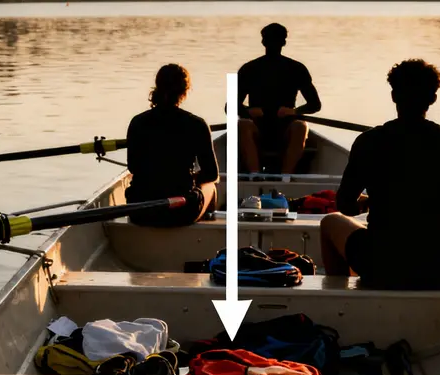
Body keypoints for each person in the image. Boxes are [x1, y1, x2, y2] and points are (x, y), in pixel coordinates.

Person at [320, 59, 440, 290]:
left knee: (330, 222)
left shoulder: (369, 142)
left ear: (394, 96)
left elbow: (345, 205)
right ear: (432, 98)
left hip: (380, 263)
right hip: (438, 266)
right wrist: (432, 204)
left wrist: (367, 203)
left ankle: (343, 299)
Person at [125, 64, 219, 227]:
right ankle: (204, 230)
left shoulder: (137, 122)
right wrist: (191, 178)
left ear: (157, 86)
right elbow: (211, 174)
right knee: (211, 186)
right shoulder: (197, 124)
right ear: (185, 91)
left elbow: (133, 167)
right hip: (180, 212)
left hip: (141, 211)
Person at [237, 23, 322, 174]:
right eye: (270, 40)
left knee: (300, 126)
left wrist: (294, 111)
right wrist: (248, 111)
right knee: (243, 124)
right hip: (258, 127)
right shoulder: (249, 69)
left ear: (283, 42)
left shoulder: (297, 69)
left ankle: (286, 176)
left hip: (285, 128)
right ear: (263, 42)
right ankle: (255, 174)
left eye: (276, 40)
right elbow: (230, 106)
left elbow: (315, 104)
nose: (273, 44)